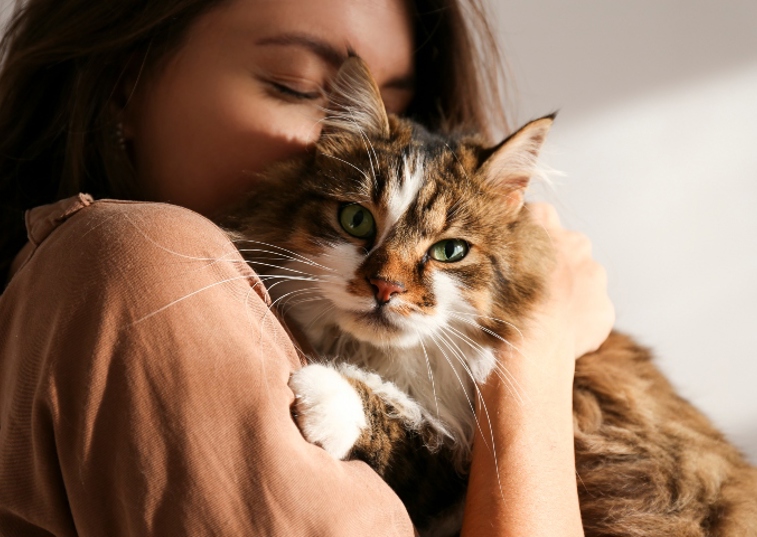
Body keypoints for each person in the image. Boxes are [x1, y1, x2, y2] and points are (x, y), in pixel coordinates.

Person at [0, 0, 614, 535]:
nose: (342, 144)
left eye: (396, 104)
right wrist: (536, 354)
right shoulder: (145, 262)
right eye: (298, 86)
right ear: (121, 83)